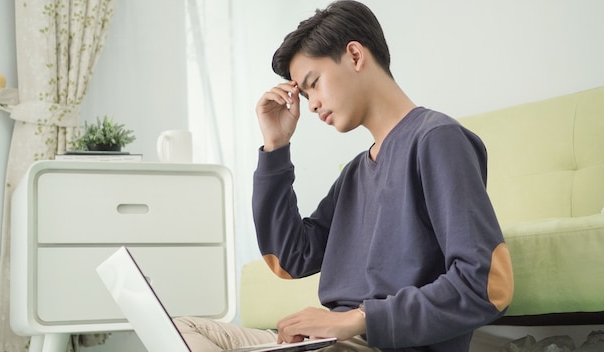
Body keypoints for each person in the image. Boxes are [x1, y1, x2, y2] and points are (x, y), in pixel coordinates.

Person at [175, 1, 514, 351]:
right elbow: (288, 260)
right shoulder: (355, 173)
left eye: (315, 84)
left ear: (354, 55)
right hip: (329, 343)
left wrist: (356, 319)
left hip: (376, 343)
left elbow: (488, 283)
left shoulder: (436, 139)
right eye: (305, 95)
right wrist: (275, 147)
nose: (311, 105)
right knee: (179, 329)